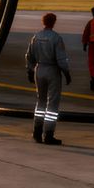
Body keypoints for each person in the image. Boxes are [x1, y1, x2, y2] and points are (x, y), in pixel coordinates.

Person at [26, 12, 72, 146]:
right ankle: (49, 134)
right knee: (52, 104)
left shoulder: (36, 37)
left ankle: (37, 132)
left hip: (39, 70)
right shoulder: (56, 38)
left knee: (40, 101)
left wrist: (30, 70)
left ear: (43, 22)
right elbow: (61, 59)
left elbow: (29, 55)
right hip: (52, 70)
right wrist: (67, 73)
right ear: (54, 22)